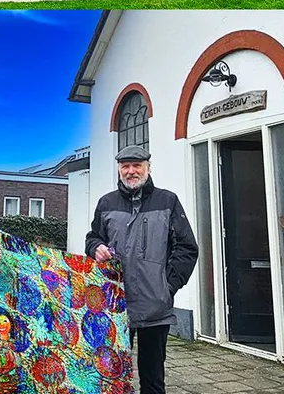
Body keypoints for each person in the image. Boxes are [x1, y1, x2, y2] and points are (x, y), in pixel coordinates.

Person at [85, 145, 198, 394]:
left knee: (152, 378)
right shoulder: (106, 203)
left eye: (137, 166)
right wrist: (96, 248)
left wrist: (167, 287)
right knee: (110, 375)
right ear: (119, 170)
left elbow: (187, 248)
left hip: (154, 307)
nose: (131, 171)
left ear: (148, 168)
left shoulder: (168, 201)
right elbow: (92, 238)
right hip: (115, 306)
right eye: (125, 166)